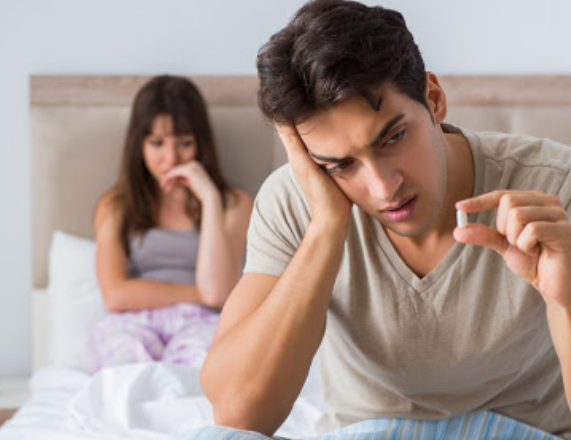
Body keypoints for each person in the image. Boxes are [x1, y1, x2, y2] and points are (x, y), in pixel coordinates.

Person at [192, 1, 571, 440]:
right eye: (341, 164)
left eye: (393, 138)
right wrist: (326, 227)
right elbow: (238, 415)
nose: (382, 187)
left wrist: (565, 298)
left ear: (433, 99)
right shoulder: (294, 203)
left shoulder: (554, 189)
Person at [87, 75, 253, 371]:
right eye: (157, 143)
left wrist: (209, 199)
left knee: (204, 368)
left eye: (184, 143)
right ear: (139, 145)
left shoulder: (234, 204)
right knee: (126, 365)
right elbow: (115, 296)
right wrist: (198, 294)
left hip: (202, 322)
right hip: (133, 323)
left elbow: (217, 292)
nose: (171, 158)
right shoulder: (115, 205)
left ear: (201, 143)